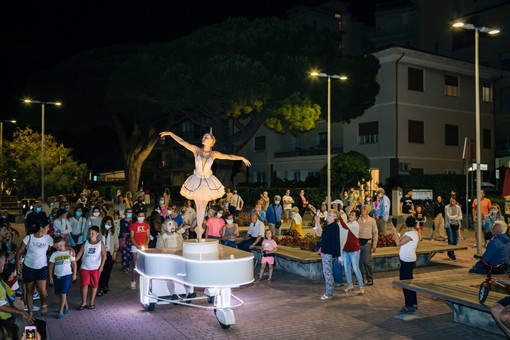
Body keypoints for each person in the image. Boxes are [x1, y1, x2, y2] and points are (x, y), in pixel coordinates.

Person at [160, 131, 250, 241]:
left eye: (206, 137)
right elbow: (182, 142)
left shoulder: (214, 154)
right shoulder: (196, 150)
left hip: (207, 181)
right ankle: (198, 232)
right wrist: (170, 134)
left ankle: (200, 231)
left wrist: (241, 158)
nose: (203, 138)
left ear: (212, 141)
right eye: (203, 136)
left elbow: (229, 156)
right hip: (196, 179)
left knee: (203, 206)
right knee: (198, 206)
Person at [0, 250, 48, 340]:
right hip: (4, 319)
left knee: (40, 325)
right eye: (4, 261)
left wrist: (16, 300)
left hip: (10, 314)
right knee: (32, 327)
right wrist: (21, 312)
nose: (5, 263)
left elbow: (10, 293)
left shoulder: (1, 280)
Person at [15, 222, 54, 316]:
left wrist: (70, 248)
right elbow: (20, 251)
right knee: (29, 290)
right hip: (29, 267)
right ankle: (30, 310)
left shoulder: (48, 238)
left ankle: (44, 303)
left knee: (42, 290)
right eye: (47, 227)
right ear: (41, 228)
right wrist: (18, 264)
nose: (49, 229)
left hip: (42, 267)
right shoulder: (29, 238)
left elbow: (58, 246)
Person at [391, 216, 419, 313]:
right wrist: (396, 229)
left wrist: (395, 231)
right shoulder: (410, 233)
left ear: (407, 224)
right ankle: (413, 303)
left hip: (407, 261)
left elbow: (398, 243)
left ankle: (409, 305)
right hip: (406, 260)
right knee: (409, 282)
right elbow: (396, 239)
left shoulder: (412, 234)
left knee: (406, 283)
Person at [75, 226, 106, 310]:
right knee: (84, 285)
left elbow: (104, 255)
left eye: (93, 233)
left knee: (94, 285)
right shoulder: (85, 243)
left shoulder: (100, 243)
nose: (91, 235)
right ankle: (84, 302)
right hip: (85, 268)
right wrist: (74, 261)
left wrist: (101, 266)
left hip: (95, 268)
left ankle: (91, 302)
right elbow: (79, 254)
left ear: (97, 234)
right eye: (89, 233)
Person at [314, 209, 341, 300]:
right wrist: (316, 223)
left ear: (335, 217)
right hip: (326, 251)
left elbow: (321, 233)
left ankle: (329, 293)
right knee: (327, 272)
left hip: (329, 252)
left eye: (330, 215)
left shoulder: (334, 226)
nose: (328, 216)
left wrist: (318, 221)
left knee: (327, 272)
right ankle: (330, 291)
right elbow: (318, 234)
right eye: (328, 214)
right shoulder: (328, 226)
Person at [48, 236, 77, 319]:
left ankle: (60, 311)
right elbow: (51, 266)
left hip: (67, 275)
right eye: (57, 247)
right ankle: (66, 305)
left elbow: (74, 264)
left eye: (60, 245)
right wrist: (50, 276)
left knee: (63, 292)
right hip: (57, 276)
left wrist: (74, 274)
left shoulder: (70, 252)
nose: (59, 248)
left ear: (64, 243)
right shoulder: (54, 254)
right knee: (61, 293)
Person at [340, 210, 365, 295]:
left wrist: (339, 216)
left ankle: (361, 286)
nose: (350, 216)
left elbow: (344, 226)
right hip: (346, 250)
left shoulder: (355, 225)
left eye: (352, 215)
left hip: (354, 250)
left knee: (355, 268)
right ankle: (350, 285)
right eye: (350, 215)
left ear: (356, 217)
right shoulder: (349, 224)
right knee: (347, 269)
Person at [129, 211, 150, 289]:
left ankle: (141, 281)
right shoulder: (133, 225)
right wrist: (137, 245)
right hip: (135, 247)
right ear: (137, 216)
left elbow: (148, 236)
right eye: (139, 216)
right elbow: (132, 237)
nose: (141, 217)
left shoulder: (146, 225)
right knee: (135, 264)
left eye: (142, 216)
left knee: (143, 264)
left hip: (143, 246)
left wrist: (145, 244)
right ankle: (133, 280)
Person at [358, 205, 378, 286]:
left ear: (369, 211)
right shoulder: (358, 219)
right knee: (359, 262)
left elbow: (375, 233)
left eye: (365, 209)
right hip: (358, 242)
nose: (363, 210)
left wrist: (374, 245)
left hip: (367, 243)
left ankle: (370, 278)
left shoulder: (372, 220)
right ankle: (360, 279)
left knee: (367, 261)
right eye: (362, 208)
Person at [98, 217, 119, 296]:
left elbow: (116, 243)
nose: (109, 224)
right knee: (101, 270)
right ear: (104, 223)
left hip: (110, 253)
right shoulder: (100, 232)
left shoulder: (113, 232)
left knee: (108, 270)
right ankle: (100, 287)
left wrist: (115, 253)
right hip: (101, 254)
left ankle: (106, 285)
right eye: (107, 223)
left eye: (110, 223)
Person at [445, 196, 462, 261]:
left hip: (456, 225)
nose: (452, 202)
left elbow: (460, 216)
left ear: (455, 202)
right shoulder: (447, 207)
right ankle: (452, 255)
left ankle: (449, 251)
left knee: (455, 240)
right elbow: (449, 216)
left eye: (453, 201)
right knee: (451, 240)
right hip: (449, 225)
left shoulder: (458, 207)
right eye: (451, 201)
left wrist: (455, 217)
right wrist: (456, 216)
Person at [119, 209, 133, 273]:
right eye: (128, 212)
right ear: (125, 213)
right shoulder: (122, 221)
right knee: (124, 253)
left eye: (131, 212)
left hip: (132, 239)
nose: (129, 214)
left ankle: (128, 265)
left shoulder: (133, 221)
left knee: (130, 253)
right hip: (124, 239)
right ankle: (124, 267)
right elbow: (122, 230)